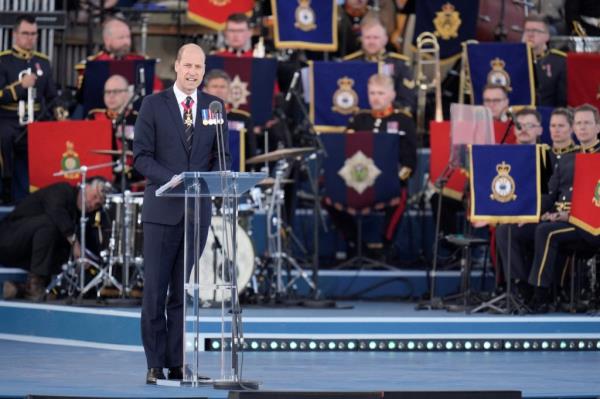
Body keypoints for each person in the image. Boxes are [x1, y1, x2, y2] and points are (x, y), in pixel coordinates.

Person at [134, 43, 230, 385]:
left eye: (199, 67)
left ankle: (176, 364)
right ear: (175, 66)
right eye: (187, 65)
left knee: (181, 293)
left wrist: (216, 178)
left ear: (204, 71)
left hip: (196, 213)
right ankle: (154, 364)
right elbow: (141, 158)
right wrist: (173, 180)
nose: (193, 72)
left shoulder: (213, 107)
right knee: (155, 293)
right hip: (163, 211)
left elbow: (222, 156)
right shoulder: (152, 105)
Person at [329, 73, 417, 261]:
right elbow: (345, 153)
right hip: (359, 181)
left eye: (381, 93)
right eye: (372, 93)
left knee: (400, 196)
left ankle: (387, 244)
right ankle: (355, 243)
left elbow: (410, 162)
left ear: (392, 95)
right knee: (329, 197)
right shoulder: (359, 120)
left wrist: (394, 180)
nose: (375, 97)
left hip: (389, 183)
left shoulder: (404, 121)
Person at [495, 108, 578, 304]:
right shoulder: (524, 155)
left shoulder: (555, 156)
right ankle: (519, 286)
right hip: (531, 216)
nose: (556, 130)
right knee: (504, 231)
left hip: (553, 218)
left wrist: (535, 214)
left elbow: (551, 196)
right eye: (553, 126)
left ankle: (537, 290)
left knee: (541, 231)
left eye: (561, 126)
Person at [527, 104, 600, 312]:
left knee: (546, 233)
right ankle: (532, 290)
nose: (582, 127)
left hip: (594, 224)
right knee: (529, 228)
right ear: (574, 129)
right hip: (573, 222)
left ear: (598, 127)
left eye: (587, 123)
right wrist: (532, 213)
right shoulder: (568, 158)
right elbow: (550, 195)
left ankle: (540, 296)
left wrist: (570, 215)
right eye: (578, 123)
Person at [0, 178, 107, 301]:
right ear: (85, 187)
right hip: (9, 238)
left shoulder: (81, 216)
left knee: (62, 243)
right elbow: (56, 212)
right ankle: (35, 286)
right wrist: (75, 243)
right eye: (94, 197)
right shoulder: (63, 190)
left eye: (98, 204)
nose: (93, 204)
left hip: (30, 250)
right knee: (51, 224)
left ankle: (23, 289)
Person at [0, 15, 62, 203]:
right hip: (8, 117)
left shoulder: (43, 62)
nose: (30, 38)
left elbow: (51, 96)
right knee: (6, 139)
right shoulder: (3, 60)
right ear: (15, 34)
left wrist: (60, 111)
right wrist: (21, 86)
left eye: (34, 34)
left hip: (36, 119)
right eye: (25, 33)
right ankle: (6, 190)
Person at [343, 15, 416, 113]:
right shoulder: (350, 63)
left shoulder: (399, 63)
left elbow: (407, 101)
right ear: (361, 39)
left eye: (376, 37)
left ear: (385, 39)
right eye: (367, 37)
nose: (371, 42)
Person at [75, 18, 163, 93]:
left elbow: (156, 90)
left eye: (128, 37)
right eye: (121, 37)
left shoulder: (141, 61)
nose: (126, 42)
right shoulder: (94, 64)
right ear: (107, 40)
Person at [88, 75, 143, 189]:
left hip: (129, 177)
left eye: (116, 91)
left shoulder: (139, 119)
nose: (111, 95)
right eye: (107, 92)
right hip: (98, 177)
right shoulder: (94, 117)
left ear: (127, 94)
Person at [203, 69, 258, 163]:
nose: (219, 90)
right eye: (214, 86)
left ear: (229, 90)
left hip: (237, 173)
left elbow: (251, 153)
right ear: (205, 90)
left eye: (223, 87)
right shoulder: (197, 116)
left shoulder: (244, 118)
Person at [522, 13, 567, 107]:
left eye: (536, 31)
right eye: (527, 30)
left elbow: (562, 101)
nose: (530, 35)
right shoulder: (516, 60)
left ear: (547, 36)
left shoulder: (559, 61)